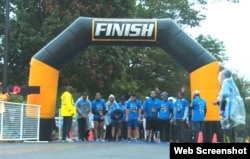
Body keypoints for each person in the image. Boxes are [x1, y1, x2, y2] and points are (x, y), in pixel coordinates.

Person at [213, 69, 246, 143]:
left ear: (223, 76)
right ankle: (232, 141)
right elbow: (230, 97)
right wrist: (219, 100)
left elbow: (224, 97)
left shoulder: (225, 83)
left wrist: (221, 109)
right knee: (231, 129)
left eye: (221, 76)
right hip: (233, 110)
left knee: (226, 129)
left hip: (227, 111)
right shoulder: (231, 83)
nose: (220, 77)